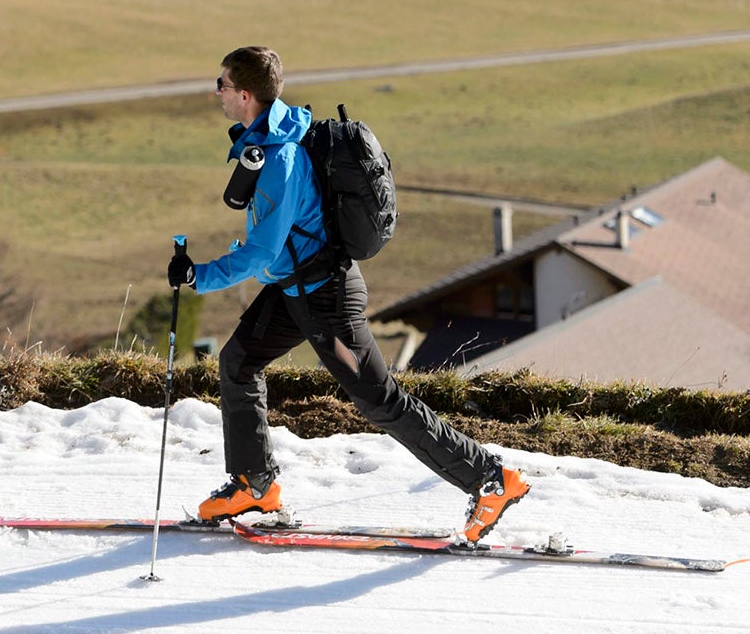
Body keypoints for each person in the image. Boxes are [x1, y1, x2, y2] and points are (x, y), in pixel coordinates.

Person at [167, 45, 529, 545]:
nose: (217, 93)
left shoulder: (280, 156)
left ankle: (491, 479)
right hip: (292, 289)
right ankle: (255, 485)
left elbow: (260, 250)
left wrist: (198, 276)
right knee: (237, 363)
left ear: (245, 94)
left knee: (379, 400)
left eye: (222, 85)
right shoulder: (269, 137)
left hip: (326, 297)